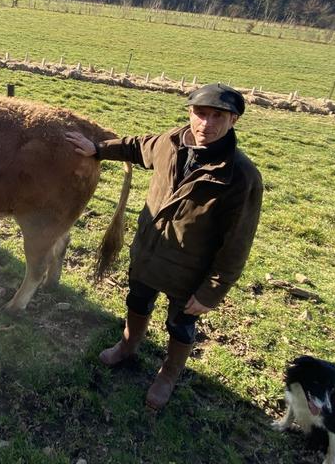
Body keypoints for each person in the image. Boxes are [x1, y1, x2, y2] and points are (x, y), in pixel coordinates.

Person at [65, 83, 263, 410]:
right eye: (200, 113)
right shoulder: (169, 143)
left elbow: (238, 243)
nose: (206, 124)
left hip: (189, 270)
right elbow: (135, 146)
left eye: (218, 116)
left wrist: (212, 291)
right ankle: (127, 345)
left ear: (234, 121)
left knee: (180, 324)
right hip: (148, 252)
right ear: (190, 112)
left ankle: (168, 374)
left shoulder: (240, 176)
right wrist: (98, 149)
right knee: (137, 300)